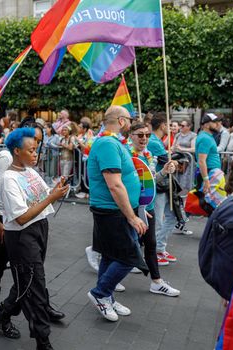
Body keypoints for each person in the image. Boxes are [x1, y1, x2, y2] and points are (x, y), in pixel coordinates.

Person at [0, 128, 69, 350]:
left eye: (36, 150)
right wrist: (51, 196)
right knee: (36, 288)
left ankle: (2, 316)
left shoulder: (30, 172)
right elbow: (22, 217)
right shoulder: (8, 178)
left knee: (26, 283)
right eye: (31, 150)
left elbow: (42, 197)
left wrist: (56, 189)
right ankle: (43, 341)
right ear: (17, 151)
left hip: (39, 229)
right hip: (22, 236)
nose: (36, 154)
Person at [86, 105, 148, 322]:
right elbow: (115, 185)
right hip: (111, 212)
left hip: (116, 211)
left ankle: (107, 296)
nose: (131, 124)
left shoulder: (112, 143)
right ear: (121, 121)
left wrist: (136, 210)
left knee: (111, 255)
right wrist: (131, 216)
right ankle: (100, 294)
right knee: (129, 257)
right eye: (129, 120)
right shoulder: (107, 144)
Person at [127, 122, 181, 296]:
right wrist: (134, 210)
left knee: (150, 244)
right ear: (131, 135)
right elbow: (126, 185)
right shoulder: (127, 156)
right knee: (125, 244)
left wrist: (164, 171)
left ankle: (156, 282)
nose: (144, 138)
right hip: (133, 208)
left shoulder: (148, 156)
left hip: (147, 207)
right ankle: (106, 281)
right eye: (140, 135)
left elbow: (151, 181)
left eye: (147, 135)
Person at [149, 112, 178, 265]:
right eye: (169, 124)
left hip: (165, 184)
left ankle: (159, 247)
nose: (171, 127)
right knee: (159, 220)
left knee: (172, 216)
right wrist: (175, 162)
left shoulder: (158, 140)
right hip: (159, 184)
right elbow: (167, 161)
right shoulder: (153, 141)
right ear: (163, 125)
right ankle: (154, 251)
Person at [195, 113, 227, 210]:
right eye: (215, 122)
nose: (218, 124)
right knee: (211, 205)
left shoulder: (207, 136)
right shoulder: (205, 138)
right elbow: (201, 161)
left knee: (213, 204)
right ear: (206, 124)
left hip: (211, 172)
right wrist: (206, 180)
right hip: (209, 173)